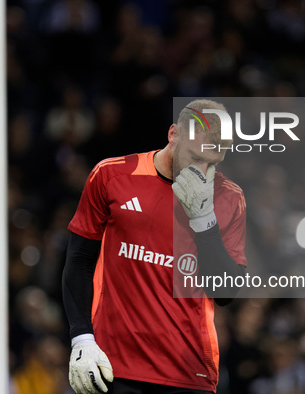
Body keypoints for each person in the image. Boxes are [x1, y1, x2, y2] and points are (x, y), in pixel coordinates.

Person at [62, 99, 247, 394]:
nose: (202, 168)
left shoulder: (227, 198)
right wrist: (82, 337)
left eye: (212, 161)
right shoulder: (111, 176)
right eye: (195, 156)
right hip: (115, 366)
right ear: (173, 134)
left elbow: (225, 293)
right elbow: (80, 260)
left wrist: (204, 221)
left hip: (189, 373)